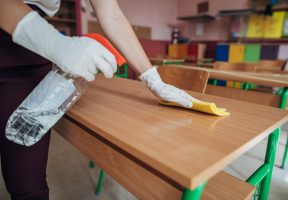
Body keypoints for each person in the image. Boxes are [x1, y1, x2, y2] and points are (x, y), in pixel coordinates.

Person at [0, 0, 197, 199]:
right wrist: (56, 43)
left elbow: (112, 14)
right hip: (31, 33)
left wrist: (152, 79)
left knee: (26, 180)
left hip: (27, 52)